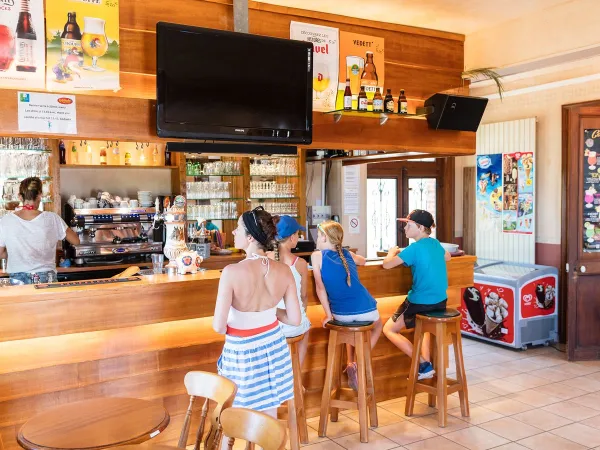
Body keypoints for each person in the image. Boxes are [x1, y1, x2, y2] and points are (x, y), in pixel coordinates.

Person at [212, 206, 301, 418]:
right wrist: (269, 312)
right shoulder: (284, 270)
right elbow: (295, 319)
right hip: (274, 348)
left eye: (237, 228)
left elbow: (218, 326)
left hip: (242, 351)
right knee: (267, 421)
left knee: (232, 418)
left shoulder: (231, 272)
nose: (233, 232)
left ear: (250, 237)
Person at [311, 220, 382, 390]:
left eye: (319, 235)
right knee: (379, 325)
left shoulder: (317, 256)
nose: (317, 239)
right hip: (368, 310)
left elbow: (320, 288)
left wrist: (328, 315)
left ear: (325, 237)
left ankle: (353, 363)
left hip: (341, 315)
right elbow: (363, 261)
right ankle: (358, 361)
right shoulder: (347, 254)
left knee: (350, 329)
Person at [381, 209, 451, 380]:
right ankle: (425, 366)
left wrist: (391, 253)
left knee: (389, 329)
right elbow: (448, 256)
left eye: (408, 224)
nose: (404, 228)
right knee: (425, 327)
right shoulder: (434, 243)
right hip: (440, 302)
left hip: (420, 302)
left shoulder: (414, 249)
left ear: (420, 228)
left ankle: (422, 363)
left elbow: (387, 265)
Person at [0, 177, 80, 284]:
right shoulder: (52, 218)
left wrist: (16, 252)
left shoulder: (6, 221)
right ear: (40, 195)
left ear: (20, 196)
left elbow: (1, 253)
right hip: (46, 279)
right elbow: (76, 241)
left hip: (17, 281)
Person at [271, 215, 311, 369]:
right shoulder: (300, 263)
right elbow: (304, 296)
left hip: (273, 324)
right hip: (294, 324)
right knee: (305, 326)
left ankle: (282, 376)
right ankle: (296, 376)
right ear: (292, 237)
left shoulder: (266, 259)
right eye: (298, 234)